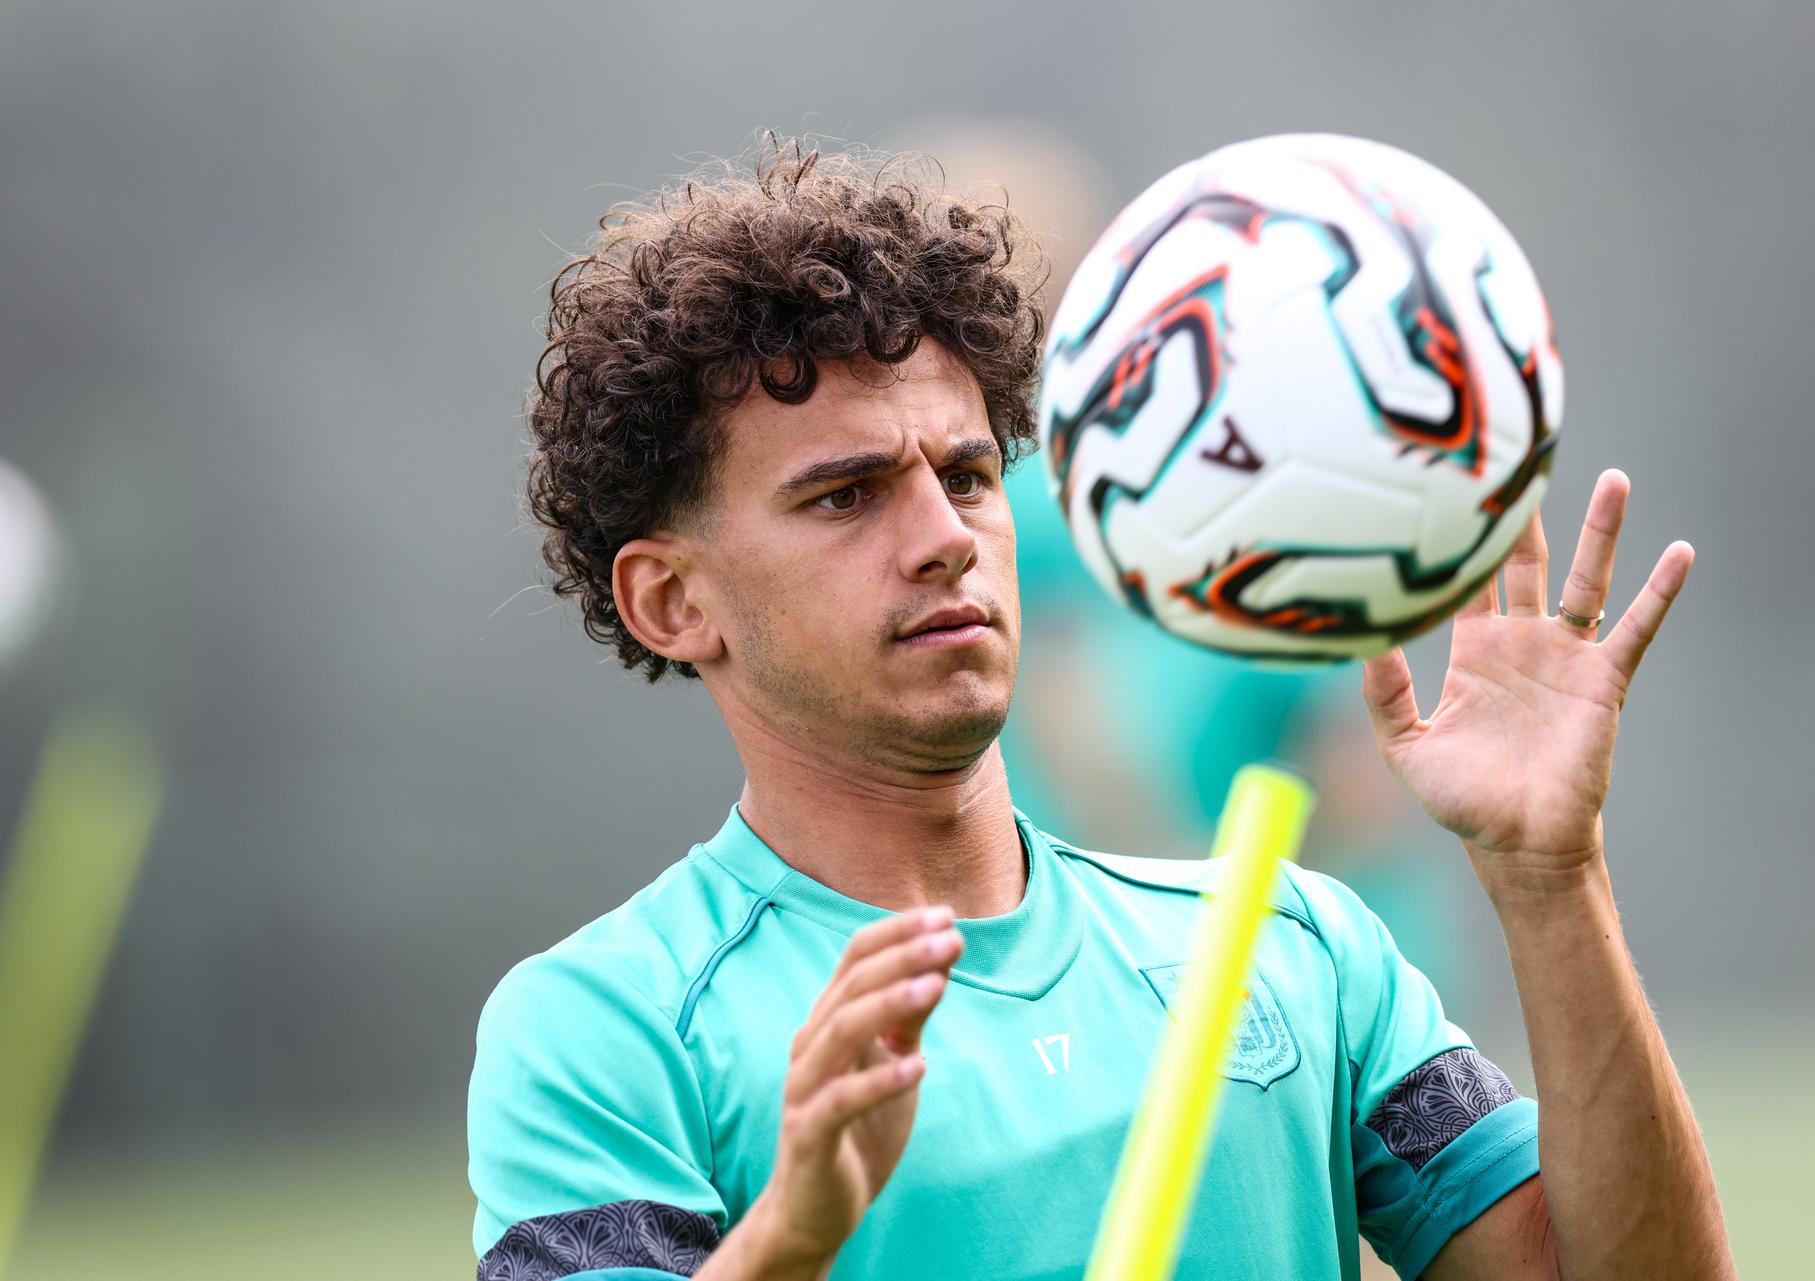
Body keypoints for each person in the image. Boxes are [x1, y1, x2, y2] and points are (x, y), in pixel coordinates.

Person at [467, 142, 1734, 1280]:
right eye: (847, 496)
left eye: (967, 476)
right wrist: (787, 1243)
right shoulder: (604, 1032)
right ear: (673, 601)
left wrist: (1549, 878)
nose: (945, 540)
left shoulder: (1298, 945)